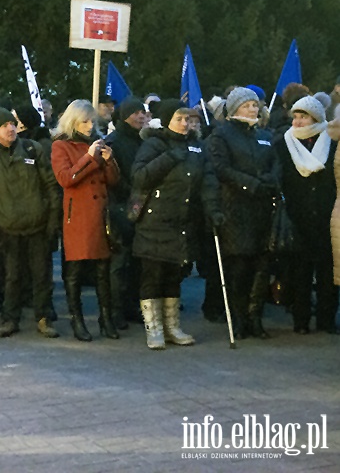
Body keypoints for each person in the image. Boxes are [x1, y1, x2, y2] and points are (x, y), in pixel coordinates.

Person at [131, 100, 221, 349]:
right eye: (180, 119)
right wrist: (169, 158)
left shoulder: (197, 147)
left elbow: (209, 181)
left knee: (174, 274)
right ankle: (154, 328)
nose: (185, 124)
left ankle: (172, 326)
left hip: (183, 221)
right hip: (154, 221)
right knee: (153, 275)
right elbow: (139, 176)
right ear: (167, 119)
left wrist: (213, 210)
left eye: (189, 120)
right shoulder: (154, 143)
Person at [0, 108, 60, 338]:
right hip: (8, 228)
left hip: (38, 226)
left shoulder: (34, 148)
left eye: (12, 123)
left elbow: (51, 186)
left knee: (42, 275)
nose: (11, 128)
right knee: (11, 277)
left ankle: (43, 318)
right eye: (4, 125)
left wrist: (53, 219)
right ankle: (9, 319)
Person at [205, 87, 280, 339]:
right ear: (235, 107)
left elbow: (275, 163)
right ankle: (239, 319)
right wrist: (250, 183)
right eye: (248, 105)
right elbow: (220, 168)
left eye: (255, 105)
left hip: (262, 209)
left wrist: (270, 180)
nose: (254, 108)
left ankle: (255, 317)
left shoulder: (264, 134)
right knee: (239, 266)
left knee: (262, 266)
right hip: (235, 208)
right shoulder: (221, 135)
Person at [51, 99, 121, 341]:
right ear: (73, 121)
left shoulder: (98, 142)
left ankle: (106, 318)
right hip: (78, 216)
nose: (91, 125)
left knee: (103, 269)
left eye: (93, 120)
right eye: (85, 121)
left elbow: (112, 181)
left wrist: (110, 160)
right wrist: (91, 158)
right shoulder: (61, 146)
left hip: (100, 214)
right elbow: (66, 178)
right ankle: (77, 320)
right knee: (75, 271)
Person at [274, 96, 338, 334]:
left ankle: (326, 319)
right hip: (296, 217)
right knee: (299, 272)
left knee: (327, 272)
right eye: (296, 117)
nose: (298, 122)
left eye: (304, 117)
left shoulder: (332, 142)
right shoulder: (282, 144)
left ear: (317, 118)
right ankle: (300, 320)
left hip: (326, 216)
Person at [104, 96, 148, 328]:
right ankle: (115, 311)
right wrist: (133, 194)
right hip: (120, 207)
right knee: (119, 263)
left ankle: (131, 307)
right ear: (123, 116)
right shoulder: (114, 141)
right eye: (135, 112)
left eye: (143, 112)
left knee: (135, 262)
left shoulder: (142, 141)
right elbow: (113, 178)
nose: (141, 116)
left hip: (138, 207)